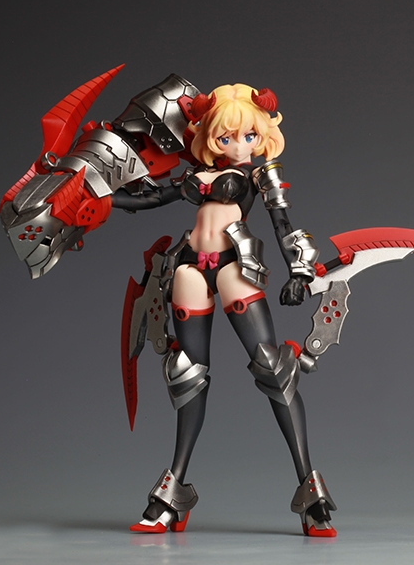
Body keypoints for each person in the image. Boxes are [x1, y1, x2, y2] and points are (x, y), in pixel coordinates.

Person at [113, 82, 337, 537]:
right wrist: (98, 199)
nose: (240, 145)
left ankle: (311, 493)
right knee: (187, 376)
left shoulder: (260, 175)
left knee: (275, 370)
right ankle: (173, 494)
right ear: (211, 137)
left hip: (236, 266)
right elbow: (150, 199)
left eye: (249, 136)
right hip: (188, 267)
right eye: (228, 137)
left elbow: (284, 224)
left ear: (263, 135)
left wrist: (298, 272)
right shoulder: (197, 175)